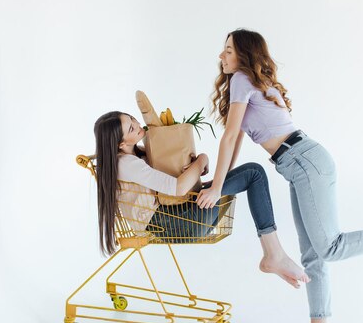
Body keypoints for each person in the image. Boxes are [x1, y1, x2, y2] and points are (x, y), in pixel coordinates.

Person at [196, 28, 363, 323]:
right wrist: (219, 182)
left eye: (228, 50)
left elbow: (229, 138)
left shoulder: (241, 79)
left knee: (330, 247)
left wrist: (217, 187)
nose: (222, 56)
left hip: (304, 161)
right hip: (300, 162)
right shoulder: (249, 84)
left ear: (244, 55)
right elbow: (236, 141)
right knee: (313, 254)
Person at [93, 111, 310, 288]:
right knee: (253, 173)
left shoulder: (134, 156)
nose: (137, 124)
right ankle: (274, 254)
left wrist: (201, 163)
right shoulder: (127, 164)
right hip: (178, 223)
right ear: (120, 144)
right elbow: (177, 187)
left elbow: (176, 183)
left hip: (175, 216)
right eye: (131, 128)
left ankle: (274, 255)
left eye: (132, 119)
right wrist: (200, 162)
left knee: (251, 173)